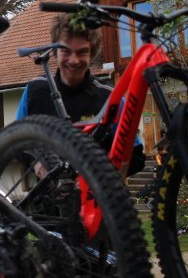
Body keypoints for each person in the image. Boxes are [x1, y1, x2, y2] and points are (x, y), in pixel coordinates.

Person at [16, 13, 145, 176]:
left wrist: (100, 173)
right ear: (55, 52)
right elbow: (15, 143)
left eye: (82, 52)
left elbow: (136, 157)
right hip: (47, 197)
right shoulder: (35, 91)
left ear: (92, 54)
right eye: (66, 51)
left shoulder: (110, 98)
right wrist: (36, 163)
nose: (74, 60)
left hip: (97, 198)